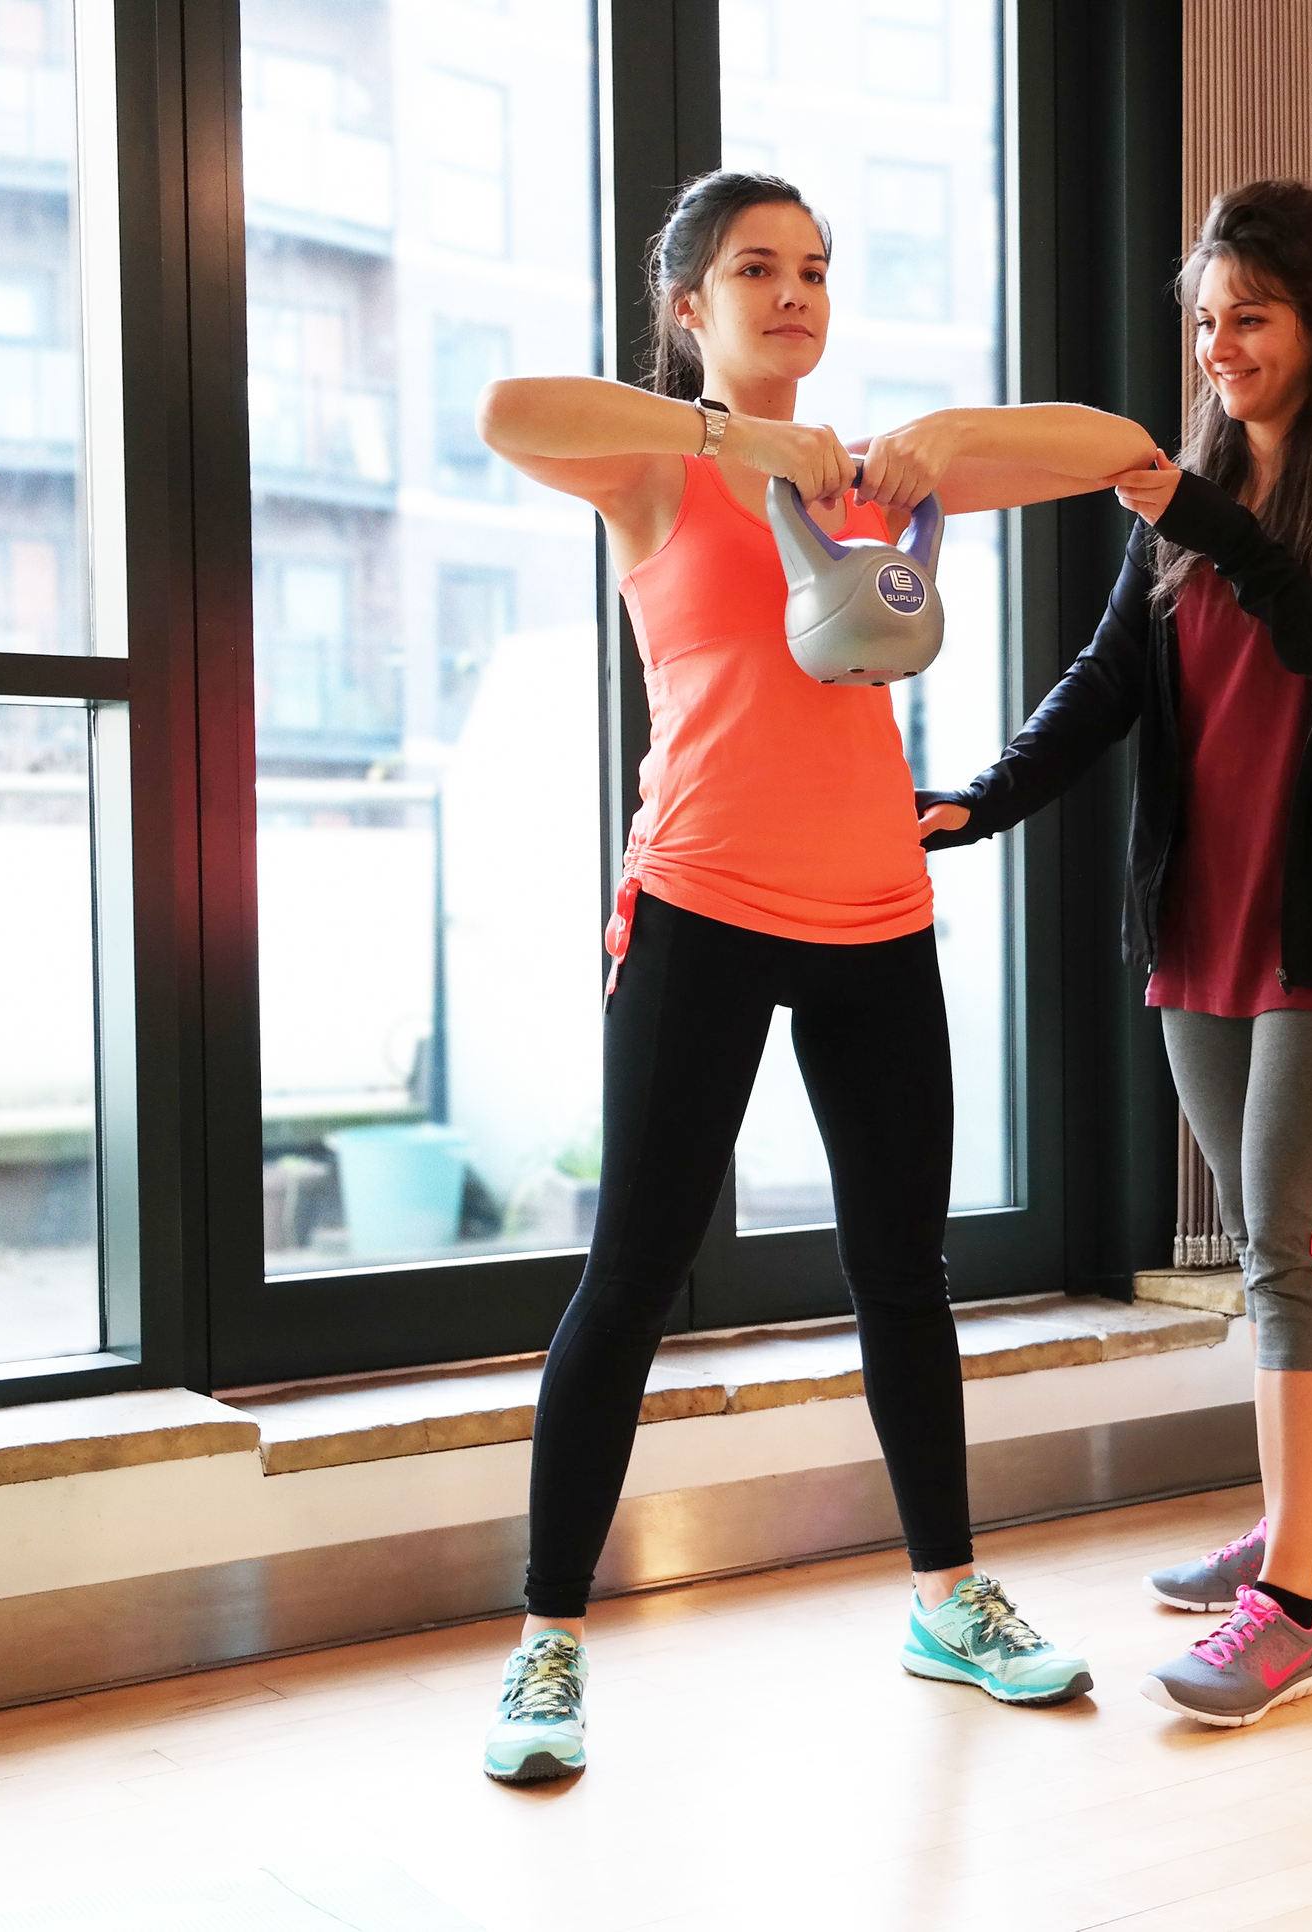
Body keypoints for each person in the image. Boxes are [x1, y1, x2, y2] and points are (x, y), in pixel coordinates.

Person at [471, 170, 1157, 1782]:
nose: (795, 294)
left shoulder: (866, 477)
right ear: (688, 307)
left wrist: (931, 441)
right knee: (629, 1281)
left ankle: (947, 1597)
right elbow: (503, 407)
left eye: (817, 271)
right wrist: (729, 439)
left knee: (901, 1276)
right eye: (757, 270)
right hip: (702, 904)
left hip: (873, 916)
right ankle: (546, 1646)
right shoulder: (656, 469)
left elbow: (1119, 447)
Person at [919, 179, 1312, 1728]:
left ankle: (1287, 1605)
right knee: (1266, 1248)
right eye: (1205, 320)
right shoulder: (1184, 504)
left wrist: (1210, 521)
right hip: (1199, 924)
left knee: (1289, 1243)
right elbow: (1103, 686)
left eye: (1253, 317)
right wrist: (980, 800)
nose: (1219, 347)